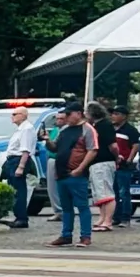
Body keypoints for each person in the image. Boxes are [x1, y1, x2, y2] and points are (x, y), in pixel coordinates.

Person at [47, 104, 95, 246]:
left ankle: (85, 236)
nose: (66, 117)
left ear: (78, 114)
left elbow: (92, 150)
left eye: (69, 114)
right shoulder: (65, 130)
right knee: (66, 207)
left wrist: (81, 168)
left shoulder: (87, 129)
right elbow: (55, 148)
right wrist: (47, 140)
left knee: (82, 206)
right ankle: (66, 235)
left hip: (76, 174)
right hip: (62, 173)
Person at [0, 105, 37, 229]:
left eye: (15, 114)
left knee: (19, 190)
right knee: (14, 189)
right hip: (12, 160)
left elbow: (25, 150)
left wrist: (21, 166)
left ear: (23, 116)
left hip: (18, 160)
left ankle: (21, 218)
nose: (12, 116)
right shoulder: (21, 129)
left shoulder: (27, 129)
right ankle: (18, 216)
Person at [87, 99, 120, 232]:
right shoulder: (96, 126)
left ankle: (108, 220)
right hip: (96, 163)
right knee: (99, 192)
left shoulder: (105, 126)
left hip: (103, 161)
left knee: (106, 191)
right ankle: (102, 217)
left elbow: (113, 145)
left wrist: (117, 157)